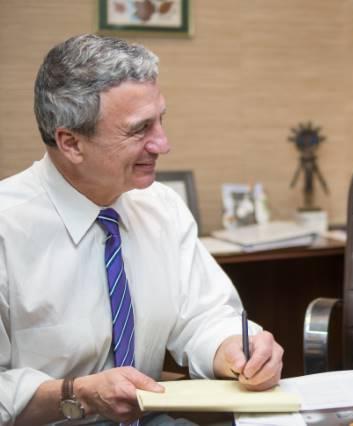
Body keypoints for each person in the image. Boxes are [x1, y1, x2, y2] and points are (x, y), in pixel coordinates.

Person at [0, 34, 284, 425]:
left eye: (161, 120)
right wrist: (77, 393)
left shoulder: (161, 207)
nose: (163, 144)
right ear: (71, 143)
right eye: (140, 130)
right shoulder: (6, 227)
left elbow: (203, 316)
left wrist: (235, 348)